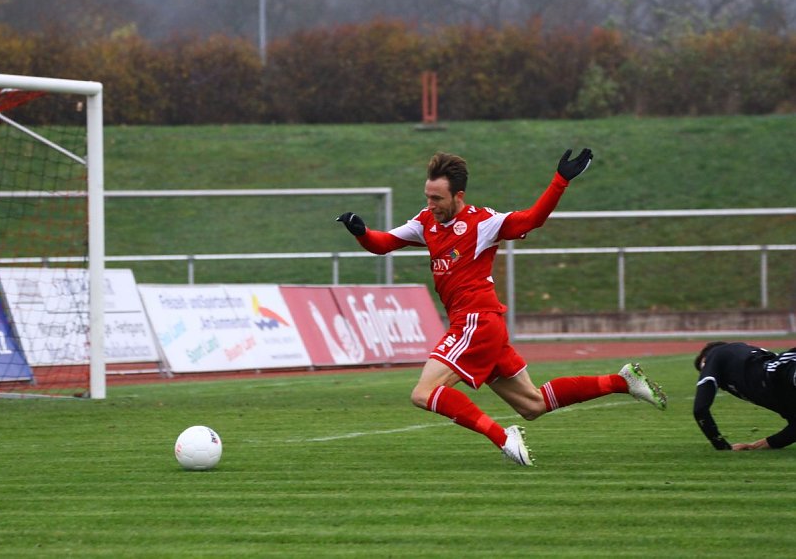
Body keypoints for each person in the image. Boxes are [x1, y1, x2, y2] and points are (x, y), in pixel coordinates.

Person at [336, 150, 667, 466]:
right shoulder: (427, 223)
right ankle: (622, 381)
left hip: (475, 322)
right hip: (484, 326)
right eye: (428, 197)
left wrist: (560, 181)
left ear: (458, 196)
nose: (430, 204)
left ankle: (503, 437)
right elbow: (383, 244)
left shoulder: (483, 223)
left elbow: (533, 219)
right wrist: (361, 232)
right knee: (533, 404)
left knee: (424, 392)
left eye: (437, 198)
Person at [693, 341, 796, 450]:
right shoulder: (776, 394)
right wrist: (753, 446)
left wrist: (722, 446)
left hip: (786, 369)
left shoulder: (715, 353)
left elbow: (700, 409)